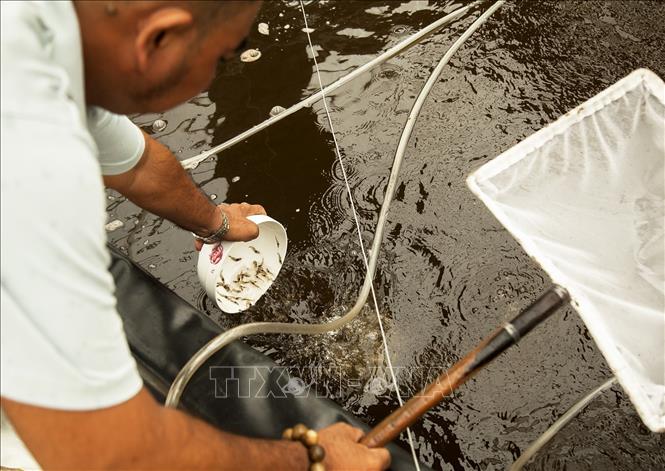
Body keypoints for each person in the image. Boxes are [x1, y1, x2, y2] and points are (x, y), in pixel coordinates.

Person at [0, 1, 391, 470]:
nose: (215, 78)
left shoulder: (43, 47)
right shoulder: (31, 167)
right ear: (160, 38)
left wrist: (218, 225)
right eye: (225, 55)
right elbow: (120, 456)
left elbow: (140, 165)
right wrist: (314, 458)